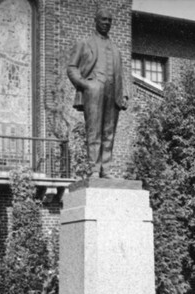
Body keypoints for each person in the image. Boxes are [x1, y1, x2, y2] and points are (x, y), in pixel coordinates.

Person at [67, 8, 128, 179]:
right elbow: (72, 68)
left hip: (112, 92)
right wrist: (85, 84)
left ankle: (106, 169)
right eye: (103, 20)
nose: (107, 23)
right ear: (96, 21)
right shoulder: (85, 44)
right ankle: (94, 169)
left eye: (109, 20)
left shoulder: (116, 49)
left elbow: (121, 74)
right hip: (94, 90)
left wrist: (124, 94)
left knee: (109, 132)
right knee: (94, 130)